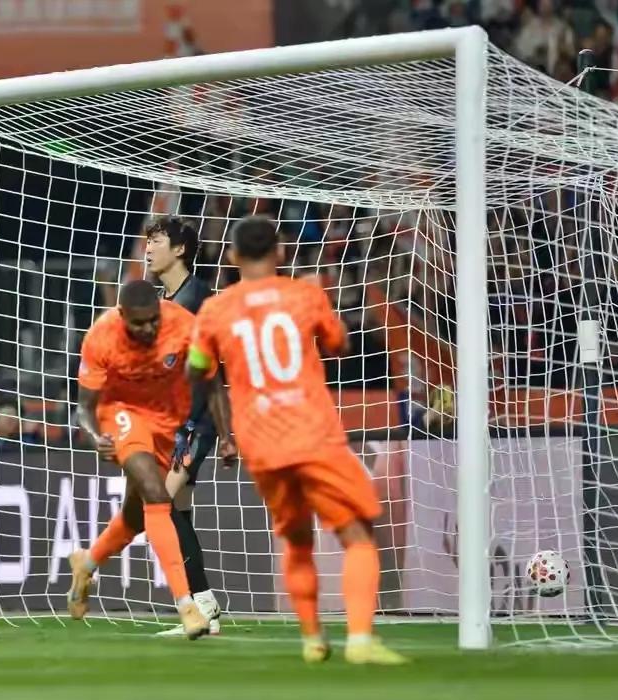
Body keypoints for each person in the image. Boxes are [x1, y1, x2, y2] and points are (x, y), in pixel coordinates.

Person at [187, 216, 408, 664]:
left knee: (297, 539)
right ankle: (360, 641)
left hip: (261, 443)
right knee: (357, 533)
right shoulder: (306, 294)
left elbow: (196, 368)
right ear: (281, 251)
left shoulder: (214, 310)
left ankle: (312, 639)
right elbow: (340, 344)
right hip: (312, 433)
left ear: (232, 256)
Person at [68, 280, 233, 639]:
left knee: (136, 515)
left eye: (153, 320)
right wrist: (95, 437)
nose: (148, 328)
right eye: (138, 323)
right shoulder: (101, 337)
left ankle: (87, 563)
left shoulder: (184, 325)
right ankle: (187, 606)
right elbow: (84, 407)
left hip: (168, 420)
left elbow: (213, 382)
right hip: (121, 414)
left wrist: (226, 436)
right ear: (122, 315)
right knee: (158, 497)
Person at [144, 215, 223, 636]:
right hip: (176, 423)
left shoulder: (197, 298)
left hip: (195, 423)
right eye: (148, 241)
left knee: (158, 504)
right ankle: (206, 608)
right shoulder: (166, 299)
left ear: (179, 249)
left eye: (156, 240)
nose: (148, 248)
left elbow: (212, 368)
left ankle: (199, 606)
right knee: (177, 511)